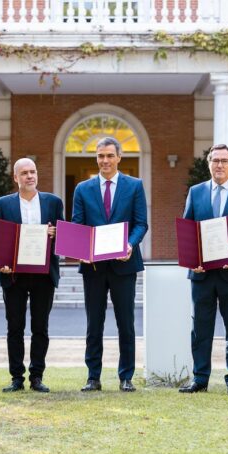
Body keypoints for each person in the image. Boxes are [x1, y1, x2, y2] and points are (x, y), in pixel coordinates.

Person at [179, 144, 228, 396]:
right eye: (215, 160)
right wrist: (193, 259)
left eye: (224, 160)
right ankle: (199, 378)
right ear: (209, 163)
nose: (219, 165)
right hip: (201, 274)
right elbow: (188, 230)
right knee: (200, 329)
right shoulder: (196, 191)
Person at [72, 136, 148, 392]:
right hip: (93, 267)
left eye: (109, 156)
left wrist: (130, 245)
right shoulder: (82, 189)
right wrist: (80, 249)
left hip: (123, 264)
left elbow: (141, 223)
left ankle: (126, 376)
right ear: (97, 158)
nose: (104, 161)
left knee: (126, 323)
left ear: (118, 158)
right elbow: (78, 224)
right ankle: (93, 376)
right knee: (94, 324)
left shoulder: (135, 186)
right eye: (100, 156)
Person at [0, 158, 64, 393]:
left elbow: (65, 236)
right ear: (16, 178)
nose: (30, 176)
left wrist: (56, 233)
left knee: (40, 327)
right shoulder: (3, 204)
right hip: (14, 275)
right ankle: (16, 377)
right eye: (24, 173)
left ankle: (37, 376)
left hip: (44, 275)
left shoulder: (53, 202)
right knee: (14, 327)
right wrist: (1, 263)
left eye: (33, 171)